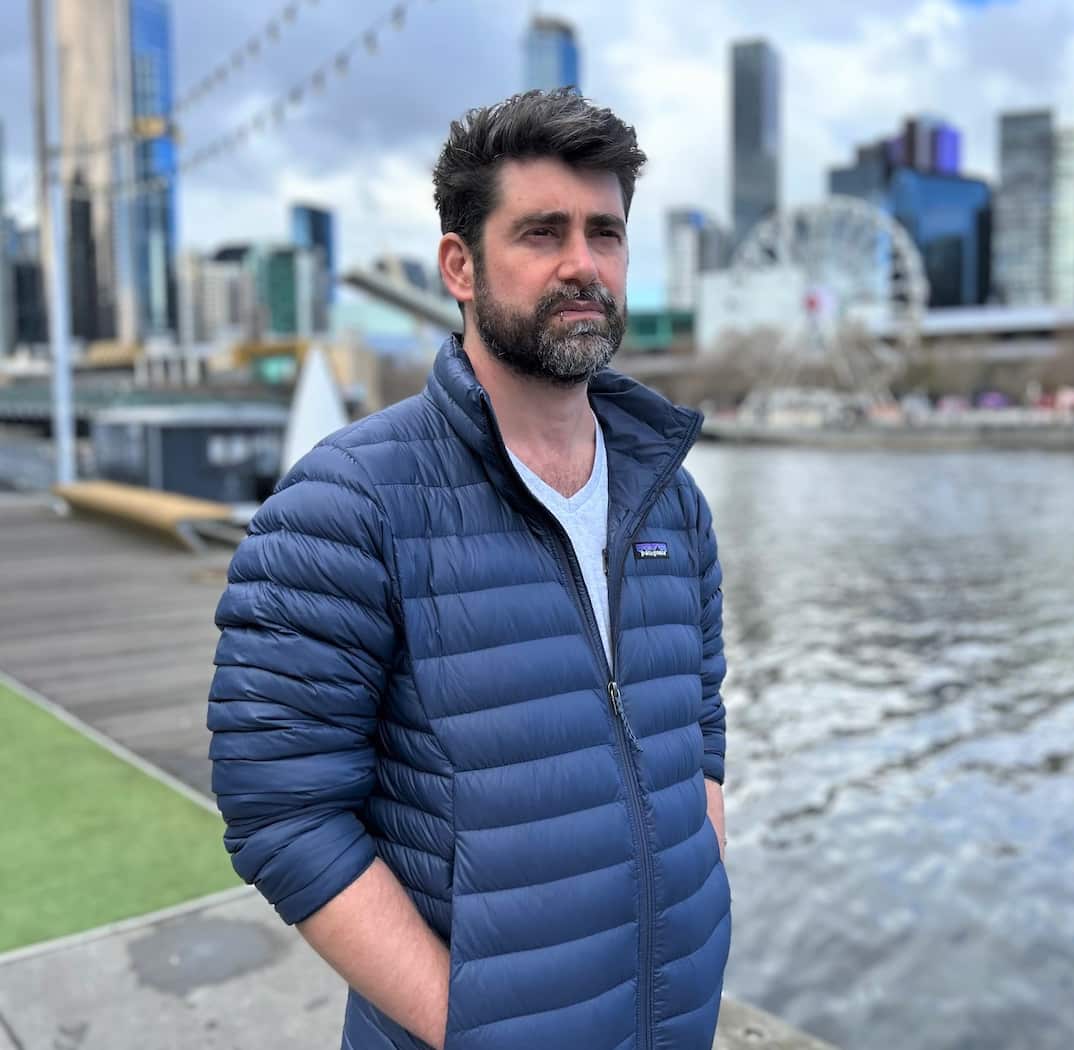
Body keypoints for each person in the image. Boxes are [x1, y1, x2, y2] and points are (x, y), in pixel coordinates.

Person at [207, 89, 731, 1050]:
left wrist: (700, 903)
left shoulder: (674, 502)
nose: (583, 264)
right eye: (542, 232)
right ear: (460, 264)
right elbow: (282, 812)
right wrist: (471, 1025)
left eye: (605, 233)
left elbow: (697, 722)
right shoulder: (346, 506)